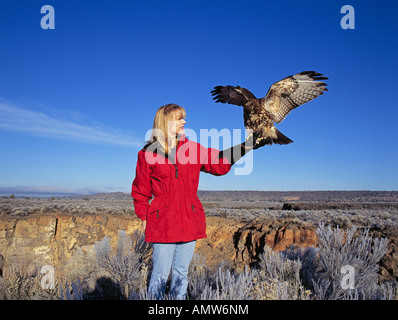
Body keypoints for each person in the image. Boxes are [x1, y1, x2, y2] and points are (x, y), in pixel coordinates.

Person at [131, 103, 264, 300]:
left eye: (183, 117)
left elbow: (219, 163)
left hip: (189, 219)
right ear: (165, 122)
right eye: (179, 118)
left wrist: (247, 145)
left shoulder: (192, 149)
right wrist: (143, 216)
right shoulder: (147, 153)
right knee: (159, 275)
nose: (184, 121)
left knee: (181, 274)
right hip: (163, 222)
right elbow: (141, 191)